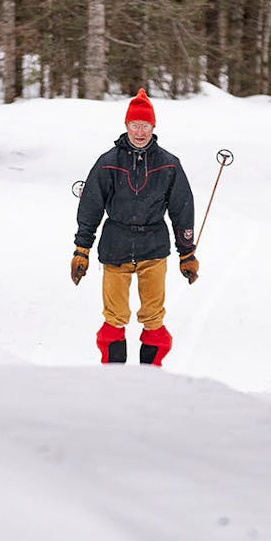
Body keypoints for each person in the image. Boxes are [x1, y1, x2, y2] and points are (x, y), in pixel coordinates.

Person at [71, 88, 197, 365]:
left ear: (154, 126)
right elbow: (90, 207)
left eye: (145, 125)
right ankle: (115, 376)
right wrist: (82, 249)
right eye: (134, 125)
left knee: (153, 316)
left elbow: (182, 209)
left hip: (154, 247)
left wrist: (186, 253)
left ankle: (149, 374)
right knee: (114, 315)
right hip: (115, 246)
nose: (140, 132)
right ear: (126, 125)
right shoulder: (107, 164)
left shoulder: (169, 165)